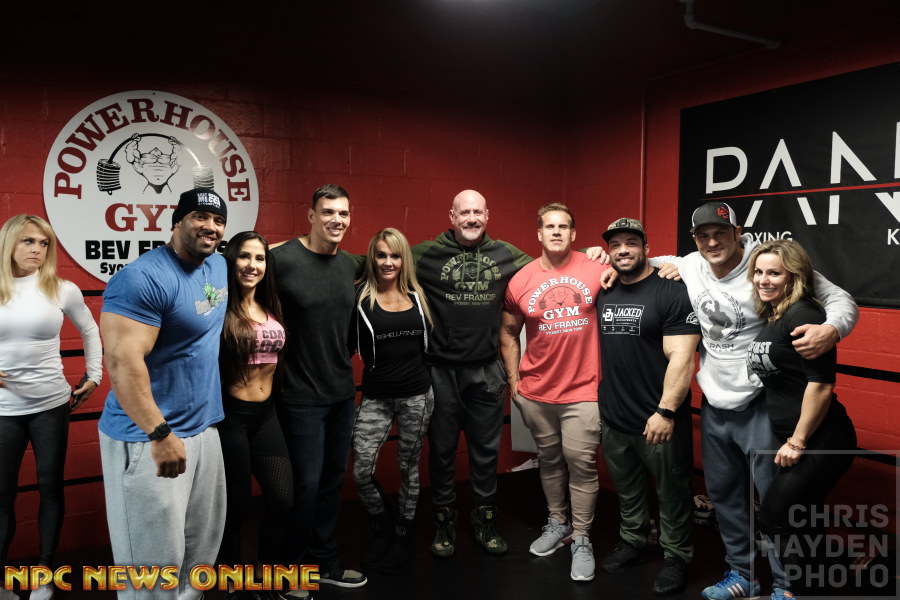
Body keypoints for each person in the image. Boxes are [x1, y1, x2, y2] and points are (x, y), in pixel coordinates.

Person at [642, 201, 858, 600]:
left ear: (737, 232)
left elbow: (841, 299)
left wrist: (831, 329)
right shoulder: (690, 264)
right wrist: (598, 259)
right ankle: (743, 575)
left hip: (760, 403)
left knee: (774, 504)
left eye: (721, 233)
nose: (712, 242)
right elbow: (640, 260)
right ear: (694, 239)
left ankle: (786, 584)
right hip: (714, 405)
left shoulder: (763, 262)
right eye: (703, 236)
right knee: (726, 497)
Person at [99, 188, 229, 600]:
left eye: (218, 220)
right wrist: (159, 433)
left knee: (198, 558)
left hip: (204, 430)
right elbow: (122, 361)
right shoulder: (142, 278)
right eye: (199, 216)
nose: (210, 226)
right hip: (150, 436)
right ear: (177, 222)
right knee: (152, 569)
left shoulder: (218, 266)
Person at [412, 189, 531, 557]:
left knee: (484, 453)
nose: (471, 219)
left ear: (487, 216)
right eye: (464, 212)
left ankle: (484, 520)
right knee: (442, 452)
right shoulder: (425, 253)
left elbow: (549, 268)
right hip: (441, 372)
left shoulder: (506, 254)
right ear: (452, 216)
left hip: (486, 371)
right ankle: (444, 523)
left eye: (478, 212)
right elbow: (373, 259)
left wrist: (591, 255)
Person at [499, 204, 608, 582]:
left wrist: (672, 266)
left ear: (573, 234)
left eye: (563, 226)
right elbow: (508, 333)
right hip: (536, 393)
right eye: (550, 226)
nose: (557, 232)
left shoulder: (595, 267)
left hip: (583, 392)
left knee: (581, 464)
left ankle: (582, 536)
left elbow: (639, 264)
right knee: (548, 461)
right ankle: (557, 522)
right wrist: (514, 381)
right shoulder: (522, 279)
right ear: (539, 234)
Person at [594, 218, 700, 596]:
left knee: (672, 492)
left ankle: (676, 556)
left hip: (658, 418)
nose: (623, 250)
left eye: (631, 243)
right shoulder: (605, 289)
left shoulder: (671, 291)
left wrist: (666, 411)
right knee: (628, 489)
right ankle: (633, 541)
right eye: (616, 244)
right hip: (615, 415)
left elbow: (682, 357)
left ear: (646, 248)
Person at [746, 239, 856, 597]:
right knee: (803, 520)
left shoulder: (803, 314)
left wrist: (797, 441)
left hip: (821, 437)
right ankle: (820, 586)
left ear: (794, 277)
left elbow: (821, 385)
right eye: (758, 272)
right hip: (800, 437)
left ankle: (803, 590)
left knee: (775, 516)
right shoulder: (776, 313)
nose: (763, 280)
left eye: (774, 273)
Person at [0, 215, 102, 600]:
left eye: (44, 244)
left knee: (50, 489)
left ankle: (45, 576)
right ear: (9, 243)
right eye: (28, 241)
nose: (37, 250)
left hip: (51, 405)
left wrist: (94, 374)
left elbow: (90, 330)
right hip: (4, 410)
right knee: (2, 496)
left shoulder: (61, 289)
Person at [270, 184, 366, 593]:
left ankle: (325, 561)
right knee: (304, 487)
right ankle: (290, 569)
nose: (336, 220)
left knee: (331, 484)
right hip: (298, 397)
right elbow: (237, 267)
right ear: (311, 216)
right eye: (327, 212)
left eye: (343, 213)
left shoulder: (349, 266)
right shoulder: (280, 260)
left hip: (341, 394)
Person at [351, 228, 434, 575]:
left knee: (407, 466)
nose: (388, 262)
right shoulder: (359, 299)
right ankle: (382, 524)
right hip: (376, 396)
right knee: (361, 469)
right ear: (373, 258)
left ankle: (403, 532)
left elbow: (429, 348)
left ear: (404, 260)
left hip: (417, 395)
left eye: (395, 256)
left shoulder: (418, 297)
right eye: (382, 255)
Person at [217, 231, 292, 594]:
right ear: (231, 261)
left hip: (266, 415)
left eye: (259, 258)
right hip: (232, 417)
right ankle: (230, 578)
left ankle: (265, 568)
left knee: (282, 499)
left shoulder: (270, 304)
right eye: (244, 256)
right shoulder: (220, 307)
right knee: (236, 507)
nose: (252, 265)